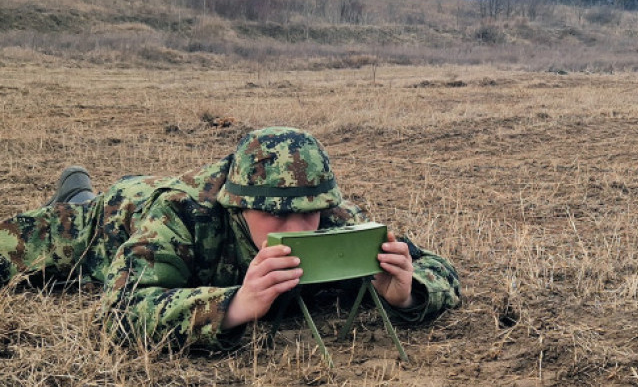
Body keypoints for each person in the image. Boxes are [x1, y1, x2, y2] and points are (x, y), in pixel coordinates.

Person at [0, 127, 461, 349]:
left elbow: (437, 267)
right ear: (237, 206)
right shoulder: (182, 215)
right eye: (274, 215)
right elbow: (118, 315)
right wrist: (234, 306)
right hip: (116, 217)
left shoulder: (336, 216)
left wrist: (407, 293)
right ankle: (80, 196)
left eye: (308, 214)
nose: (296, 230)